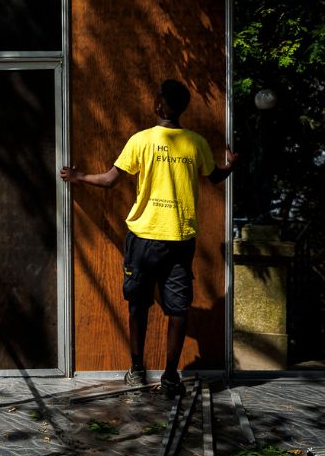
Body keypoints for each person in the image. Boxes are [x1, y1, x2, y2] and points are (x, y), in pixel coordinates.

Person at [58, 79, 238, 397]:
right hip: (180, 238)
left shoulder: (141, 141)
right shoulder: (195, 143)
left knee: (138, 304)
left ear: (158, 106)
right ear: (181, 108)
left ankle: (137, 369)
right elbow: (215, 178)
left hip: (143, 237)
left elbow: (111, 181)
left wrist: (77, 176)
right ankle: (170, 376)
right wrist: (230, 165)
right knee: (178, 309)